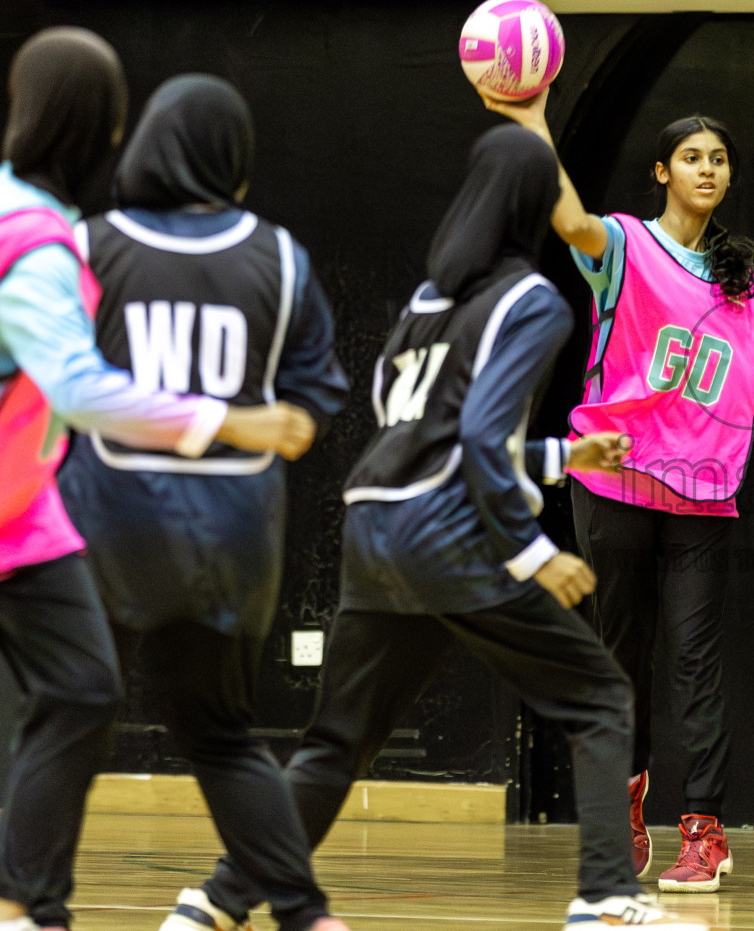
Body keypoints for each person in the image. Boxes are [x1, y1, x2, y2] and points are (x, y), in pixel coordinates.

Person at [186, 124, 708, 931]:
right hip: (448, 534)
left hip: (374, 528)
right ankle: (607, 895)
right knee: (603, 698)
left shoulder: (425, 303)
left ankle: (217, 900)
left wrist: (562, 455)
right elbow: (474, 440)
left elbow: (429, 437)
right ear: (535, 202)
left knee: (335, 744)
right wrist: (533, 553)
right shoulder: (531, 302)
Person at [487, 89, 754, 892]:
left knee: (695, 658)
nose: (707, 169)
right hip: (614, 478)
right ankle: (625, 800)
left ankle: (704, 830)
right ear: (662, 172)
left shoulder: (743, 280)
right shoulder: (623, 244)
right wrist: (533, 120)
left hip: (702, 493)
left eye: (718, 159)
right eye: (692, 158)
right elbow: (568, 218)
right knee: (622, 655)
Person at [0, 28, 313, 931]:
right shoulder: (42, 242)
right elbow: (80, 388)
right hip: (29, 513)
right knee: (76, 694)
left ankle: (29, 906)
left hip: (29, 514)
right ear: (98, 129)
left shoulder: (40, 224)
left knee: (73, 694)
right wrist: (230, 421)